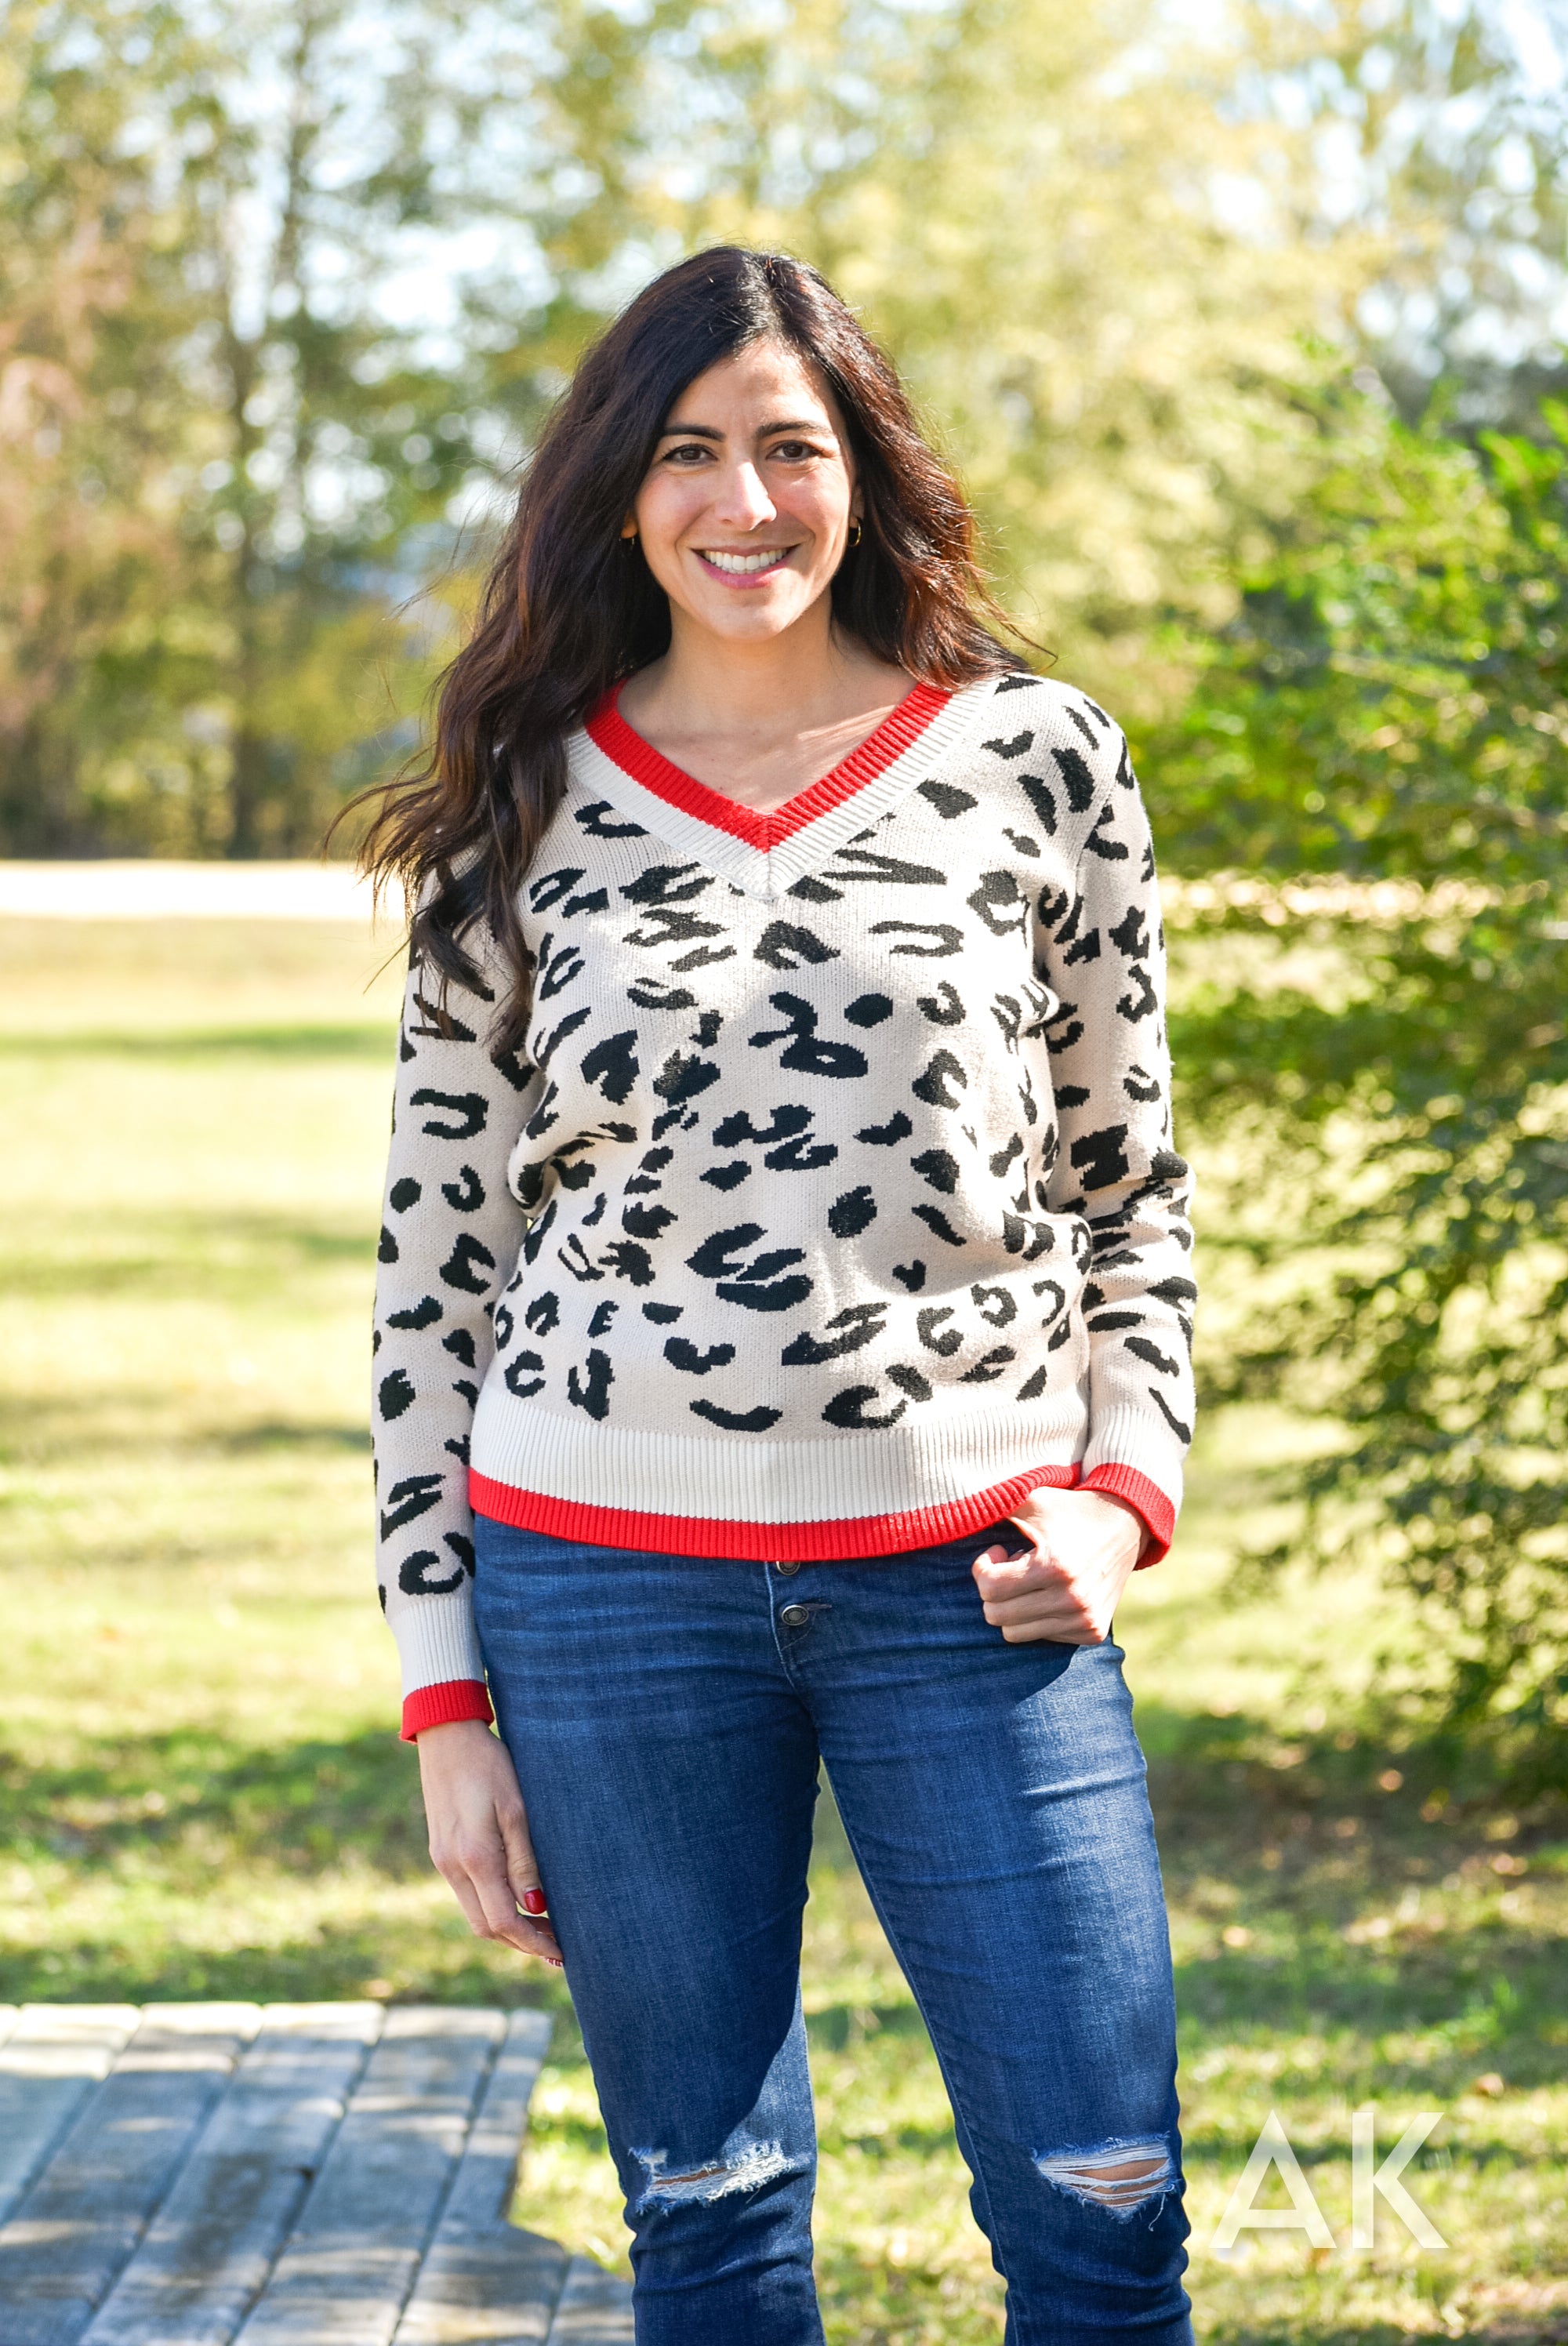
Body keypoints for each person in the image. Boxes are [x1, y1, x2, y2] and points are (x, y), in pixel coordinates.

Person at [360, 245, 1198, 2344]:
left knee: (1103, 2216)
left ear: (865, 475)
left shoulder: (1036, 759)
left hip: (977, 1587)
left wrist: (1124, 1496)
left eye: (791, 448)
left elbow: (1131, 1190)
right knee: (711, 2224)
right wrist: (449, 1701)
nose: (744, 501)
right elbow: (434, 1276)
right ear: (617, 495)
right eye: (686, 452)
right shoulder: (522, 798)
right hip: (599, 1593)